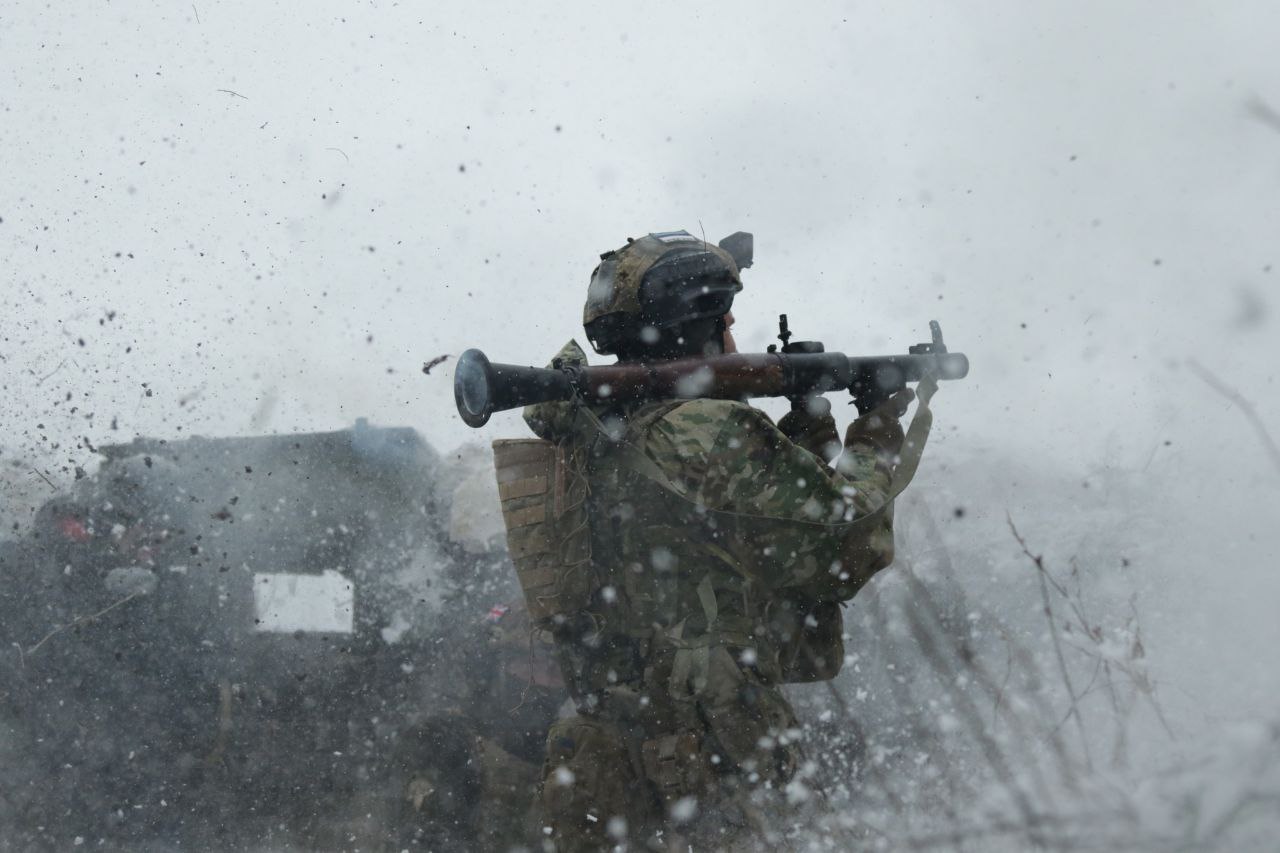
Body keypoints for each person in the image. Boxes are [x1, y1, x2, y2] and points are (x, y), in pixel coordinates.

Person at [498, 230, 932, 850]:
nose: (733, 330)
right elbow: (839, 552)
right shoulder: (707, 430)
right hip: (713, 760)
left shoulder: (590, 430)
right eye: (724, 317)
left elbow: (737, 531)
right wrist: (880, 427)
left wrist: (808, 422)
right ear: (693, 326)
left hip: (612, 750)